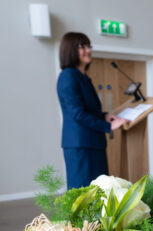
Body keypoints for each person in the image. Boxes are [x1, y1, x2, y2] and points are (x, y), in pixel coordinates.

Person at [57, 32, 128, 190]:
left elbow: (87, 108)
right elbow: (78, 114)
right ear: (69, 50)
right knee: (83, 193)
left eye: (89, 46)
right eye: (82, 47)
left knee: (99, 191)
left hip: (92, 143)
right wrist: (108, 126)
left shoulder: (83, 77)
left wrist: (105, 116)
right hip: (81, 145)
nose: (88, 50)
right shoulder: (68, 76)